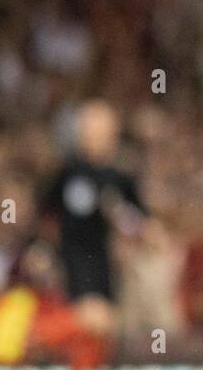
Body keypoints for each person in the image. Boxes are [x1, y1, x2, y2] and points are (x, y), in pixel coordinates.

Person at [36, 100, 148, 353]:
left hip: (111, 263)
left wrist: (123, 222)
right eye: (89, 132)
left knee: (105, 322)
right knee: (90, 317)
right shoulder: (67, 173)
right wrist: (44, 249)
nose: (95, 139)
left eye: (101, 132)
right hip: (73, 262)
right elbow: (43, 214)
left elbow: (142, 224)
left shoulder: (120, 178)